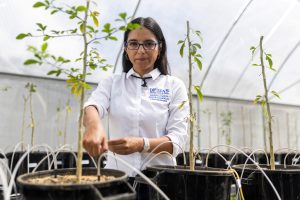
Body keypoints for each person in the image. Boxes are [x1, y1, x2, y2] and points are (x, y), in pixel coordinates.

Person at [82, 17, 189, 177]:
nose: (141, 50)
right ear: (125, 49)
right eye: (133, 44)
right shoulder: (112, 83)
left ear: (159, 47)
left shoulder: (174, 86)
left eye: (148, 43)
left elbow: (177, 142)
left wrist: (141, 144)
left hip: (161, 180)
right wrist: (93, 126)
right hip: (117, 177)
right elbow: (93, 106)